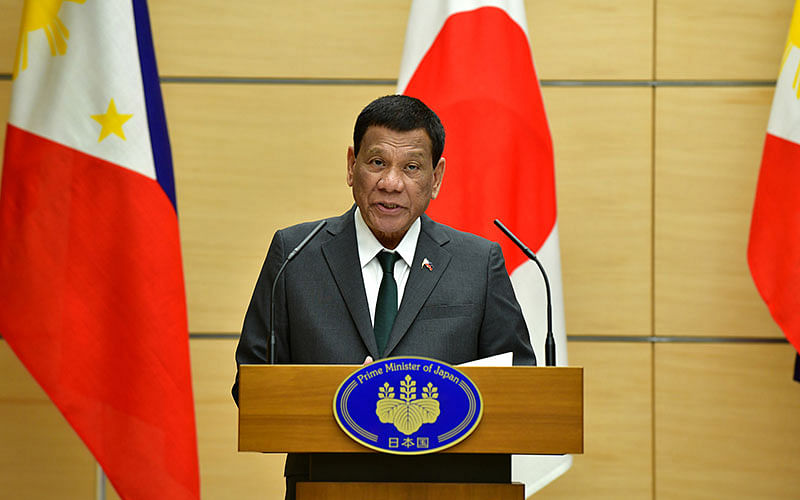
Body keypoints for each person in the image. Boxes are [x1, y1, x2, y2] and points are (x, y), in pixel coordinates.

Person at [232, 94, 536, 499]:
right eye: (377, 163)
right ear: (351, 166)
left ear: (437, 177)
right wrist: (344, 396)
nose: (391, 183)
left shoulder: (477, 263)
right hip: (329, 486)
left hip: (454, 487)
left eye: (411, 167)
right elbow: (251, 387)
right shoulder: (295, 255)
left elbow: (521, 388)